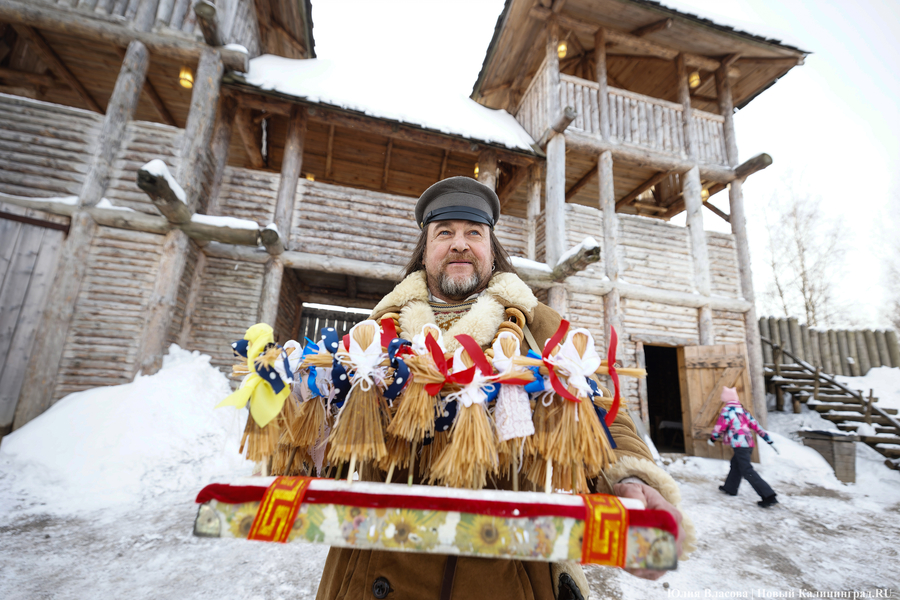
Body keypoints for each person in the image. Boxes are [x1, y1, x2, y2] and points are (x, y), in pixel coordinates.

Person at [315, 177, 695, 600]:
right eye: (445, 233)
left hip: (506, 574)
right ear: (425, 251)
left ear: (492, 251)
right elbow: (328, 427)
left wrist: (628, 476)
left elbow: (599, 412)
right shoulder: (376, 330)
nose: (460, 244)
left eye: (473, 233)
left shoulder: (536, 325)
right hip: (373, 568)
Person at [709, 386, 778, 508]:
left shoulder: (727, 411)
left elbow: (720, 427)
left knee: (747, 470)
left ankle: (769, 495)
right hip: (748, 443)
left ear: (726, 398)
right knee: (735, 464)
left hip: (739, 444)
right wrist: (768, 440)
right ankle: (730, 488)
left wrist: (713, 438)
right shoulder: (743, 411)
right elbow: (756, 426)